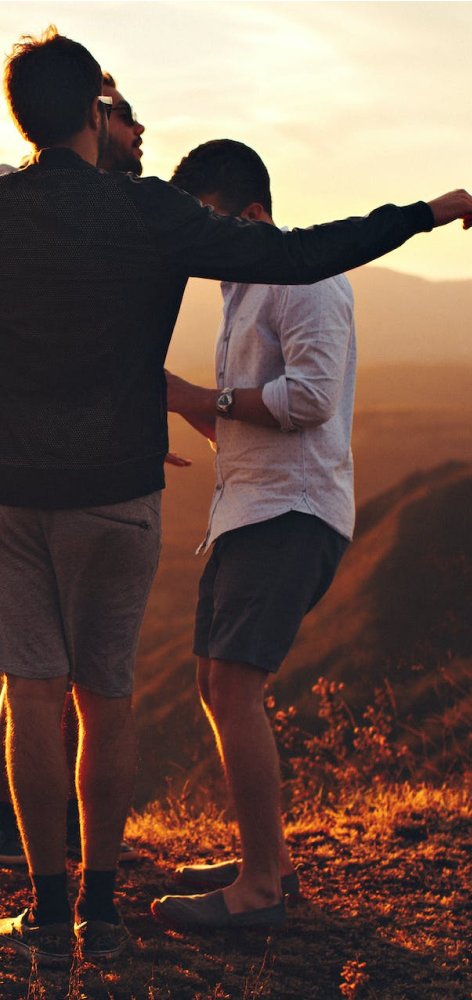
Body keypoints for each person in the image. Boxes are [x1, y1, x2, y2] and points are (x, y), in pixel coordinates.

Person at [0, 27, 470, 965]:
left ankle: (49, 917)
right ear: (97, 111)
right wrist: (423, 210)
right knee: (109, 701)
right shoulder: (146, 213)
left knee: (32, 690)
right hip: (122, 491)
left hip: (10, 493)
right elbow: (299, 253)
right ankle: (101, 906)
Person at [0, 71, 153, 869]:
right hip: (18, 472)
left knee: (48, 665)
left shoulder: (103, 218)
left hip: (75, 467)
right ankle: (7, 823)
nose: (143, 132)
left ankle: (34, 841)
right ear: (88, 116)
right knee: (43, 667)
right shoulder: (3, 199)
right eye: (126, 114)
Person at [147, 140, 358, 930]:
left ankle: (262, 889)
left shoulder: (302, 279)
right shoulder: (242, 289)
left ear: (255, 214)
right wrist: (178, 402)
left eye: (206, 221)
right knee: (215, 683)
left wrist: (204, 394)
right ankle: (264, 859)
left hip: (291, 513)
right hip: (250, 508)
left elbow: (307, 400)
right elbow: (244, 418)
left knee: (234, 686)